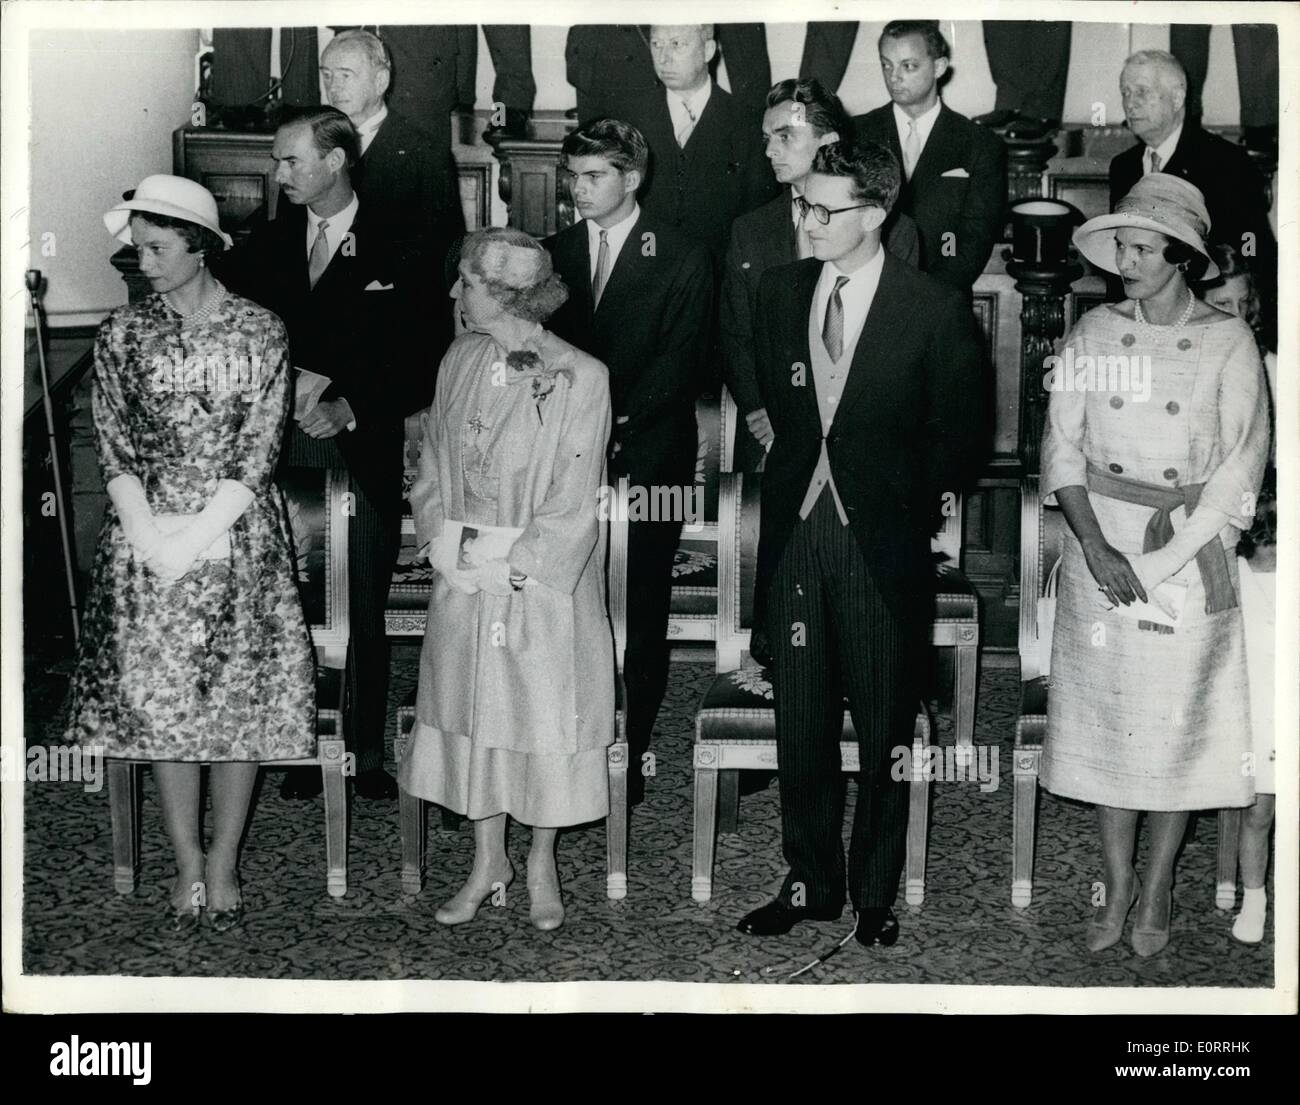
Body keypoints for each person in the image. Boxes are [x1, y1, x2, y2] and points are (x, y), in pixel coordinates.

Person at [736, 142, 988, 947]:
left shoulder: (934, 306)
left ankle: (876, 889)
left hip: (881, 544)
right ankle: (810, 878)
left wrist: (900, 502)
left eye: (823, 209)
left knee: (885, 726)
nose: (804, 220)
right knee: (800, 722)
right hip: (796, 539)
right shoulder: (780, 292)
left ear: (876, 214)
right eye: (801, 205)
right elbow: (784, 413)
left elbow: (964, 433)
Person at [67, 175, 316, 932]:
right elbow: (113, 445)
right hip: (148, 546)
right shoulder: (123, 334)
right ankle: (184, 860)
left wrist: (199, 534)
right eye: (136, 248)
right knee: (166, 711)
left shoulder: (259, 330)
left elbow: (261, 445)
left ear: (200, 246)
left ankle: (224, 860)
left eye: (157, 247)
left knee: (237, 707)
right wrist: (152, 538)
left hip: (237, 539)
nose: (142, 261)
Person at [1039, 174, 1269, 957]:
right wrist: (1097, 546)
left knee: (1173, 735)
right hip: (1097, 551)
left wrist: (1165, 558)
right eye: (1120, 248)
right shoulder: (1094, 334)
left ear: (1178, 256)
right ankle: (1116, 880)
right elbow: (1060, 446)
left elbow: (1241, 470)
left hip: (1187, 554)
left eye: (1139, 248)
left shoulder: (1226, 341)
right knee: (1111, 728)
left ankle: (1161, 881)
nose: (1124, 261)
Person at [397, 228, 614, 932]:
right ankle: (488, 858)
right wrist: (440, 538)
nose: (453, 292)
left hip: (540, 586)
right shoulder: (458, 356)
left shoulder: (581, 374)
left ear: (502, 293)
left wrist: (511, 561)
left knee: (538, 717)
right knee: (473, 714)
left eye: (465, 280)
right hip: (464, 579)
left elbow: (577, 494)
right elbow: (431, 463)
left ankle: (542, 858)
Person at [217, 107, 429, 802]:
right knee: (286, 598)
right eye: (279, 161)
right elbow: (239, 336)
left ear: (335, 161)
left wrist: (350, 403)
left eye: (290, 161)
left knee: (359, 593)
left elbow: (421, 355)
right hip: (277, 448)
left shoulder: (399, 241)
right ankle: (298, 743)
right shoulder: (266, 243)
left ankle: (364, 751)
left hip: (357, 443)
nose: (279, 173)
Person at [544, 118, 713, 807]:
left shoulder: (681, 254)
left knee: (641, 603)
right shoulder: (548, 253)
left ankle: (630, 749)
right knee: (565, 595)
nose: (579, 190)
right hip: (564, 458)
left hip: (653, 460)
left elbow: (683, 363)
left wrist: (613, 421)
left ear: (632, 177)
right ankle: (566, 738)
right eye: (573, 177)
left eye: (595, 177)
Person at [722, 78, 919, 473]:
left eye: (785, 136)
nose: (770, 150)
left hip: (862, 440)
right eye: (766, 138)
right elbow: (736, 336)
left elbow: (896, 349)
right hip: (770, 436)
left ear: (827, 140)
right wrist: (761, 410)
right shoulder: (750, 231)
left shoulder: (894, 231)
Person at [1198, 244, 1277, 945]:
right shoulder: (1193, 376)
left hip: (1283, 576)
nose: (1238, 322)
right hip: (1237, 577)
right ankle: (1245, 885)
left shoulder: (1281, 375)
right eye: (1223, 308)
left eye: (1246, 310)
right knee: (1250, 741)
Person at [1109, 49, 1277, 350]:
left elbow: (1253, 245)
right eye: (1125, 92)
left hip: (1206, 329)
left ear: (1177, 98)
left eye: (1142, 92)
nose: (1130, 103)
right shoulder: (1123, 167)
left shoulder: (1225, 161)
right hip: (1141, 331)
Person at [853, 20, 1007, 294]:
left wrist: (930, 297)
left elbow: (973, 238)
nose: (894, 76)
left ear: (938, 67)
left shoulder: (979, 144)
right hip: (867, 292)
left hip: (941, 298)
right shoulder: (858, 134)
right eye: (886, 64)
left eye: (908, 66)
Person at [620, 24, 778, 265]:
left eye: (677, 44)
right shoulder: (631, 120)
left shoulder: (748, 123)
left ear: (708, 50)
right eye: (656, 44)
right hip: (649, 270)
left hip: (720, 277)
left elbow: (757, 220)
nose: (664, 58)